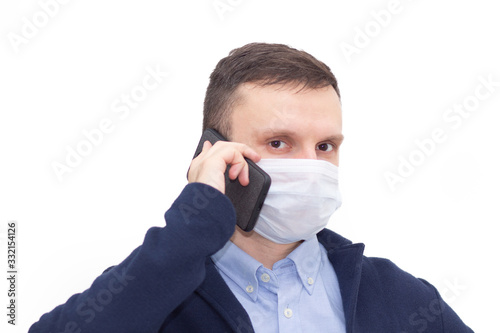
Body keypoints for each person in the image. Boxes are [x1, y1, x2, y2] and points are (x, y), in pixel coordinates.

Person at [29, 43, 473, 332]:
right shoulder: (158, 290)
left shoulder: (400, 298)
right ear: (213, 151)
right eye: (278, 143)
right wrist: (192, 224)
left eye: (326, 145)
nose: (312, 166)